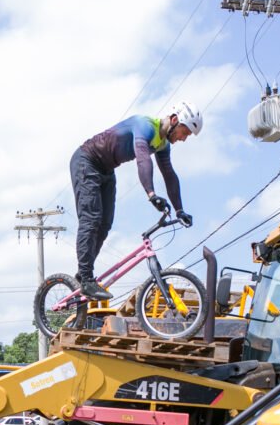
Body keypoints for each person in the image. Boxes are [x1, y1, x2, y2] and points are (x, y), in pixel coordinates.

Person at [70, 101, 202, 300]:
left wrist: (179, 210)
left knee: (104, 224)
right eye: (185, 132)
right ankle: (87, 278)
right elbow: (142, 158)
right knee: (92, 219)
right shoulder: (146, 126)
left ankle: (82, 275)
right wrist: (151, 194)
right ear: (174, 120)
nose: (184, 139)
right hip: (86, 161)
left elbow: (169, 174)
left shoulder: (163, 144)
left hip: (106, 170)